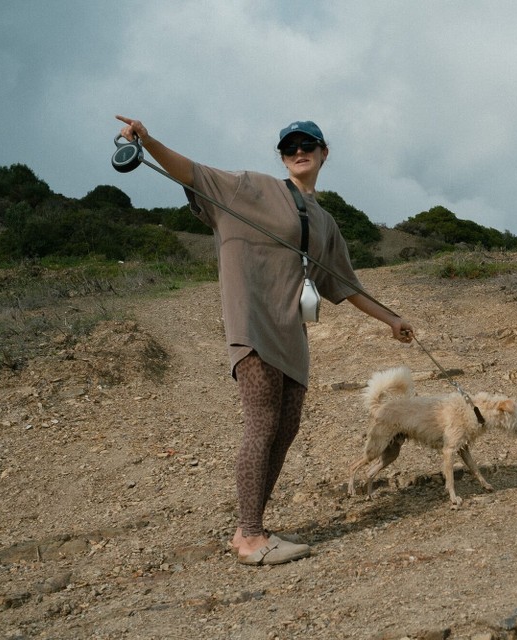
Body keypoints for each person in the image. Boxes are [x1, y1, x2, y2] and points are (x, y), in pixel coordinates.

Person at [115, 115, 414, 566]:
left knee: (286, 427)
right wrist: (148, 140)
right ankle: (251, 538)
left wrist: (391, 320)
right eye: (290, 146)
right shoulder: (248, 187)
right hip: (252, 325)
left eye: (308, 144)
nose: (299, 151)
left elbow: (345, 284)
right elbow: (191, 172)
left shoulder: (326, 222)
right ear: (282, 155)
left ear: (323, 152)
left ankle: (247, 528)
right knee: (262, 422)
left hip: (291, 333)